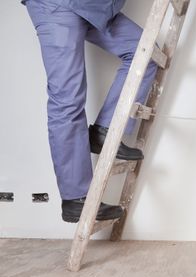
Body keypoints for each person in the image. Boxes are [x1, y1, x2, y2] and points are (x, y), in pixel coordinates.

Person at [22, 0, 158, 223]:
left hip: (94, 6)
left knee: (145, 54)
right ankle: (76, 198)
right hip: (57, 5)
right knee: (67, 100)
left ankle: (103, 132)